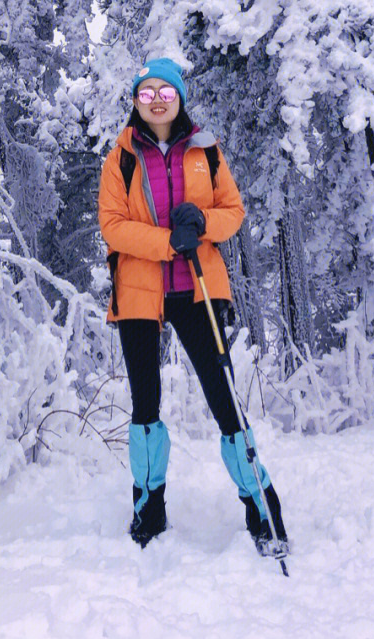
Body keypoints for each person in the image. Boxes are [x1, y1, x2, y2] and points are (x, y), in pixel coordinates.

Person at [98, 57, 289, 552]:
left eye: (166, 91)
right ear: (136, 100)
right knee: (144, 403)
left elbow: (234, 211)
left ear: (180, 98)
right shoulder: (120, 157)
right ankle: (148, 503)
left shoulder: (206, 151)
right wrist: (169, 242)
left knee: (224, 398)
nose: (157, 100)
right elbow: (113, 226)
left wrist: (201, 224)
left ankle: (261, 503)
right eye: (147, 92)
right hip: (140, 291)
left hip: (199, 288)